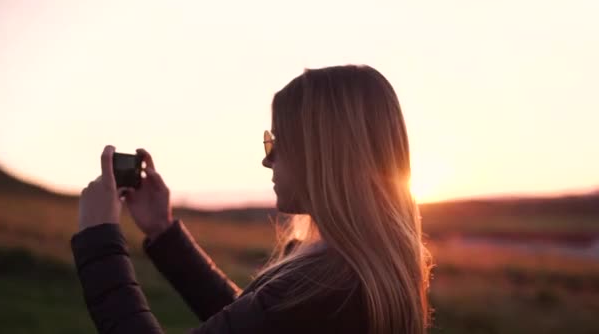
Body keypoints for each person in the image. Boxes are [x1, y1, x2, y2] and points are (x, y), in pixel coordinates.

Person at [72, 65, 434, 334]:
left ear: (323, 153)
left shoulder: (324, 287)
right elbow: (253, 320)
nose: (267, 158)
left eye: (277, 142)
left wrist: (99, 237)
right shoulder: (357, 273)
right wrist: (164, 232)